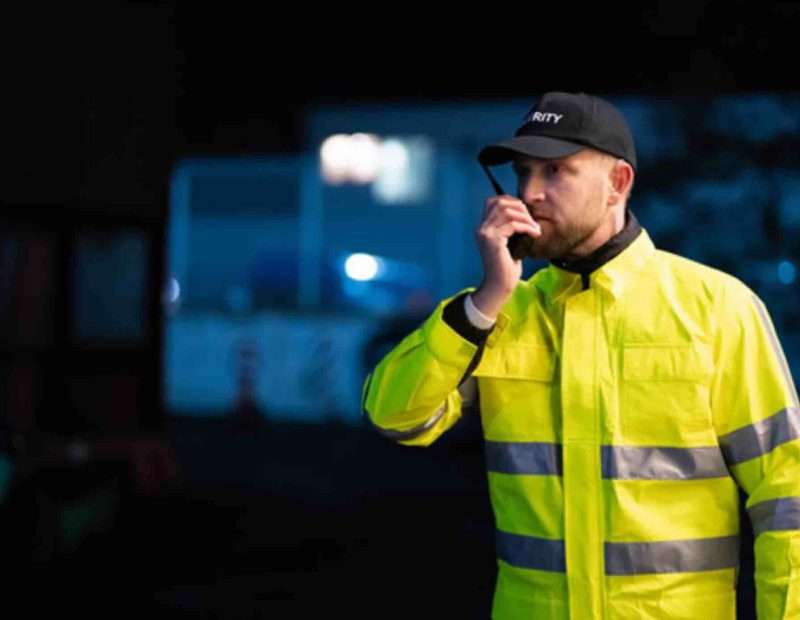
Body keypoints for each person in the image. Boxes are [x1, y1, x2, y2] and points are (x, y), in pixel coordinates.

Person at [361, 91, 800, 619]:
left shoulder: (717, 309)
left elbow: (787, 490)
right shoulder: (495, 313)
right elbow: (396, 417)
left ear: (617, 184)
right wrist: (484, 302)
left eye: (555, 171)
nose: (530, 193)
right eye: (524, 172)